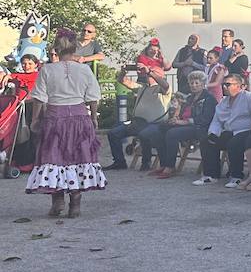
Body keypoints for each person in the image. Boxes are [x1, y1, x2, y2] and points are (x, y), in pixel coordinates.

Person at [24, 29, 105, 216]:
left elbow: (39, 98)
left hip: (55, 120)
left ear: (56, 49)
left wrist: (35, 120)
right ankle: (75, 203)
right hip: (80, 119)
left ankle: (58, 200)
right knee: (78, 158)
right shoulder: (84, 69)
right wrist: (94, 117)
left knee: (54, 158)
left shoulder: (47, 70)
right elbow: (93, 97)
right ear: (75, 47)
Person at [195, 73, 251, 187]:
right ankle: (211, 175)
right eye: (223, 84)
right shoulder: (224, 101)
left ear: (240, 86)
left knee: (234, 143)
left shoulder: (250, 98)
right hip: (229, 132)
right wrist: (213, 133)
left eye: (228, 84)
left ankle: (236, 176)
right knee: (207, 141)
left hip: (247, 131)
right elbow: (217, 120)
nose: (224, 87)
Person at [149, 70, 216, 179]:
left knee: (172, 134)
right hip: (185, 124)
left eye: (197, 83)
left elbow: (206, 118)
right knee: (159, 129)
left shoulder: (209, 98)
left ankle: (170, 167)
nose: (193, 85)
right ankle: (164, 163)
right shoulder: (189, 98)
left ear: (203, 84)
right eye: (191, 83)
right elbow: (181, 112)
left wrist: (185, 121)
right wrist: (176, 118)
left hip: (199, 127)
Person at [106, 67, 171, 171]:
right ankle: (119, 162)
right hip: (138, 123)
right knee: (113, 133)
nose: (147, 74)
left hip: (155, 124)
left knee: (144, 134)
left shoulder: (162, 89)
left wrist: (150, 72)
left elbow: (165, 85)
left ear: (159, 76)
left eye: (152, 73)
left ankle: (146, 163)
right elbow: (123, 81)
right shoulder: (142, 87)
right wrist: (123, 72)